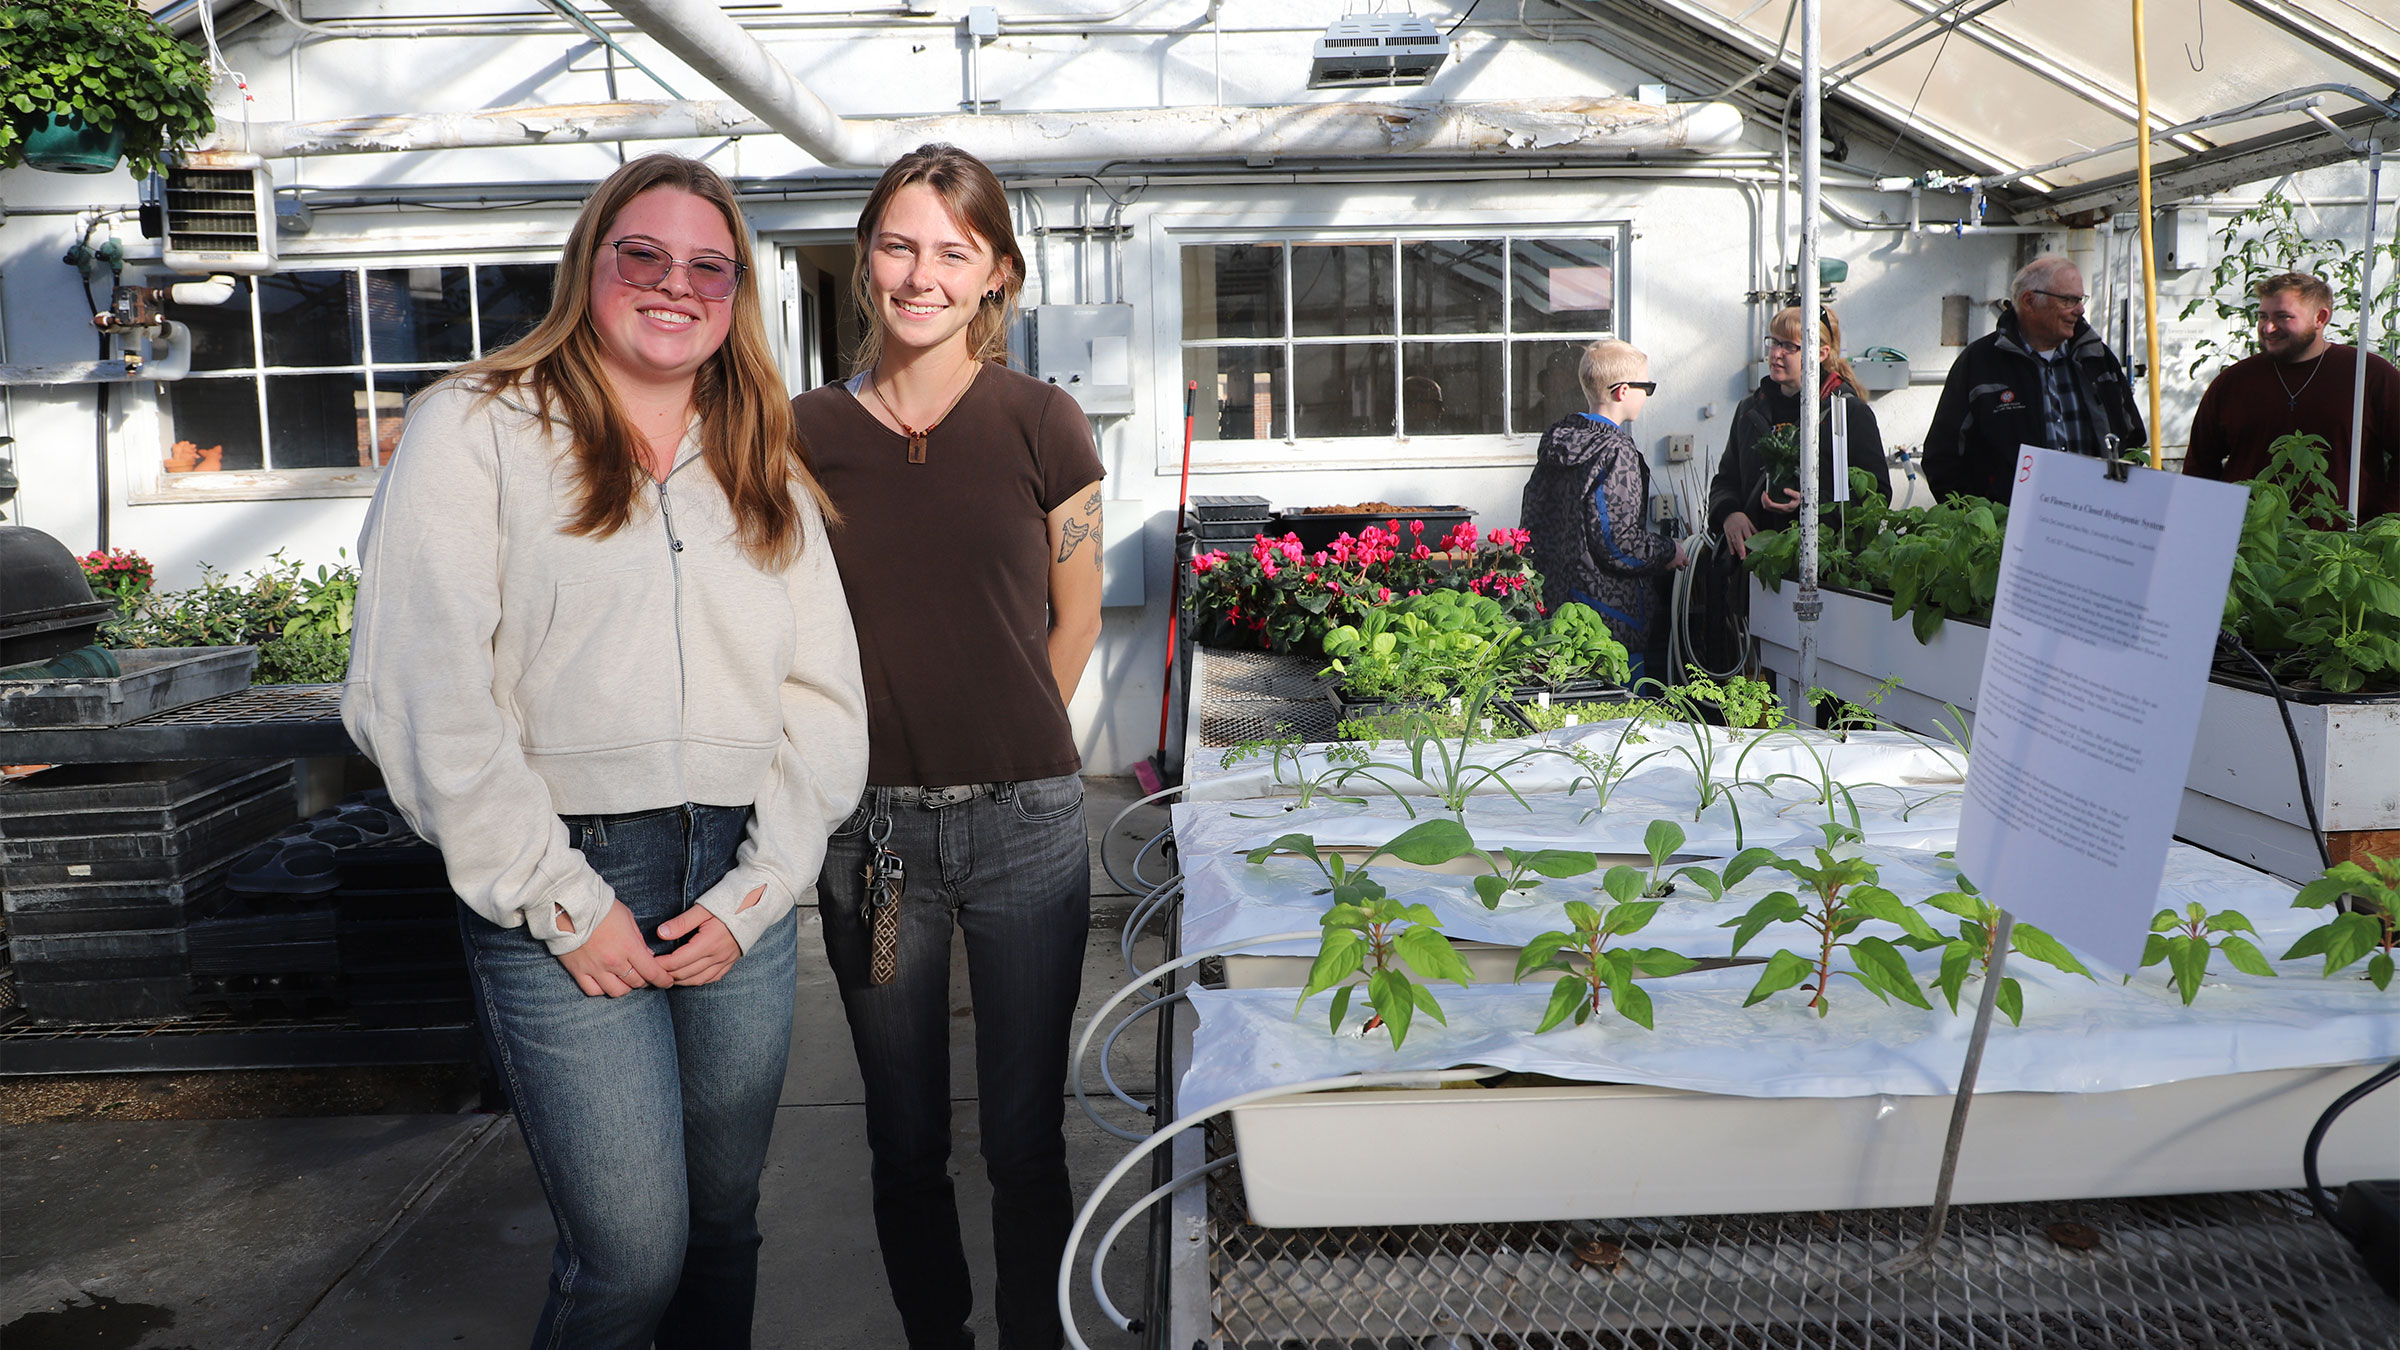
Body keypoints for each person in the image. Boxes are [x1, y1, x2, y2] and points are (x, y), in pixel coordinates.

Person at [343, 154, 868, 1349]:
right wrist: (562, 900)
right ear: (592, 264)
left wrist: (762, 887)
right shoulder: (473, 425)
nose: (674, 286)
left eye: (708, 268)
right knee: (631, 1257)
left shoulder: (760, 458)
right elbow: (420, 690)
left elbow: (824, 698)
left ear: (736, 297)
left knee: (725, 1224)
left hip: (736, 881)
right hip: (564, 875)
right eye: (645, 255)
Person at [789, 143, 1105, 1350]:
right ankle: (940, 1336)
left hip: (1027, 830)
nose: (921, 275)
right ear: (867, 262)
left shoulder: (1043, 422)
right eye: (898, 245)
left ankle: (1035, 1333)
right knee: (903, 1134)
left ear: (996, 276)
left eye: (952, 252)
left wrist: (1020, 732)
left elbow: (1073, 618)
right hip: (872, 845)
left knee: (1024, 1136)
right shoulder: (802, 431)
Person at [1518, 338, 1688, 682]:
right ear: (1623, 391)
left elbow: (1532, 521)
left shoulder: (1560, 440)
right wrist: (1669, 550)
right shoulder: (1615, 450)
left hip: (1558, 610)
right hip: (1610, 621)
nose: (1647, 394)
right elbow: (1617, 544)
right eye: (1647, 387)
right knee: (1618, 723)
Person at [1923, 256, 2146, 504]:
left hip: (2093, 521)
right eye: (2068, 300)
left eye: (2080, 299)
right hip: (2008, 529)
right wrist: (1979, 520)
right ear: (2029, 301)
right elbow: (1942, 457)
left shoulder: (2095, 358)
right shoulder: (1979, 363)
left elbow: (2132, 439)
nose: (2080, 309)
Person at [2184, 270, 2399, 521]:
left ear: (2320, 318)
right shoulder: (2233, 382)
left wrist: (2383, 523)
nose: (2268, 327)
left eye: (2283, 317)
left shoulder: (2368, 375)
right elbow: (2199, 466)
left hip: (2338, 549)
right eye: (2262, 316)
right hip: (2251, 544)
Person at [1708, 304, 1893, 559]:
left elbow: (1877, 496)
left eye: (1789, 346)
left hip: (1823, 563)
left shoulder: (1847, 412)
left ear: (1821, 353)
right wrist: (1729, 514)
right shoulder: (1750, 410)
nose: (1776, 354)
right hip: (1755, 563)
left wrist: (1811, 506)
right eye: (1773, 342)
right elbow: (1726, 480)